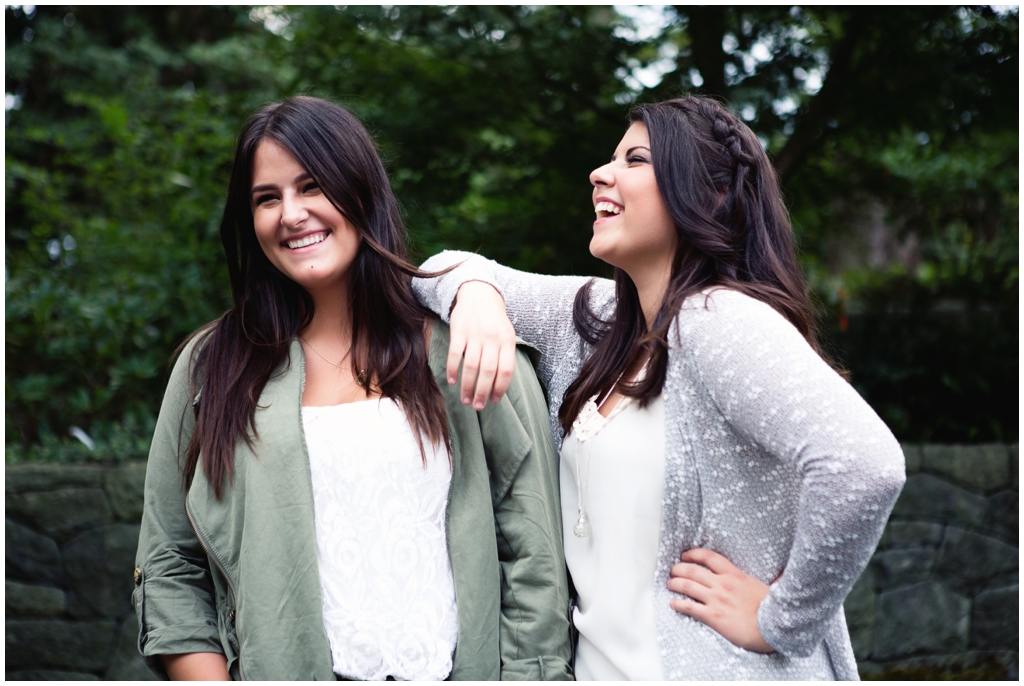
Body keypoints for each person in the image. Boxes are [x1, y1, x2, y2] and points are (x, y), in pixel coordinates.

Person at [412, 95, 906, 680]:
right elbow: (440, 267)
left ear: (709, 195)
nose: (601, 173)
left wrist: (782, 620)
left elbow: (865, 464)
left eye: (635, 160)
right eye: (610, 158)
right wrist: (478, 298)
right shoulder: (596, 320)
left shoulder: (719, 318)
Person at [132, 96, 573, 681]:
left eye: (312, 186)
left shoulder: (469, 345)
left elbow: (535, 560)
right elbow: (170, 561)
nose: (291, 214)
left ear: (361, 191)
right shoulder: (212, 368)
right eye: (267, 198)